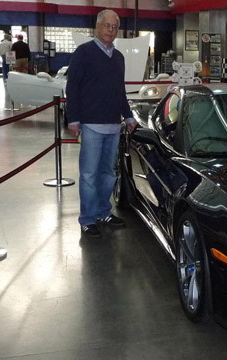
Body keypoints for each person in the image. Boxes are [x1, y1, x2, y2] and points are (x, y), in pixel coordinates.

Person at [66, 9, 137, 239]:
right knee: (88, 174)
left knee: (108, 173)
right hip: (91, 126)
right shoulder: (83, 53)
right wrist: (73, 119)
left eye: (115, 27)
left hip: (113, 127)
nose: (111, 30)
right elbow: (73, 87)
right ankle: (87, 219)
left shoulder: (118, 57)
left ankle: (103, 212)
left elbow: (119, 91)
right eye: (107, 25)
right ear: (97, 27)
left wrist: (128, 116)